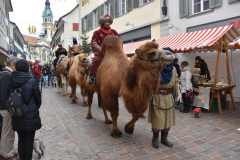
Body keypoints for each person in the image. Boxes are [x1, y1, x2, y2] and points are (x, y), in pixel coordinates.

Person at [11, 59, 42, 160]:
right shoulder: (32, 80)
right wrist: (33, 108)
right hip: (30, 116)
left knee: (21, 140)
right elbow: (38, 100)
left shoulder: (11, 79)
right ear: (27, 68)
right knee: (29, 141)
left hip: (17, 114)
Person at [148, 49, 177, 149]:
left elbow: (175, 83)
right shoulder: (154, 69)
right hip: (157, 98)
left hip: (169, 98)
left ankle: (164, 139)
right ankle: (155, 138)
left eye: (168, 60)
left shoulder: (173, 70)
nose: (166, 62)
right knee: (157, 120)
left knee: (167, 121)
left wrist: (176, 96)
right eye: (164, 59)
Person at [90, 15, 119, 84]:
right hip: (102, 54)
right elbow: (94, 43)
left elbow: (119, 41)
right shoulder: (97, 32)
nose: (107, 23)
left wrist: (118, 48)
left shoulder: (114, 32)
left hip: (113, 53)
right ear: (102, 23)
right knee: (95, 62)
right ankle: (92, 77)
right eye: (106, 22)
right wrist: (101, 50)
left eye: (109, 22)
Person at [0, 57, 17, 159]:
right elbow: (3, 94)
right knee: (7, 130)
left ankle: (8, 149)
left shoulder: (4, 73)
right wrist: (7, 107)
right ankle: (5, 152)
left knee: (8, 129)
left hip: (4, 107)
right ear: (13, 65)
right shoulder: (7, 75)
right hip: (5, 108)